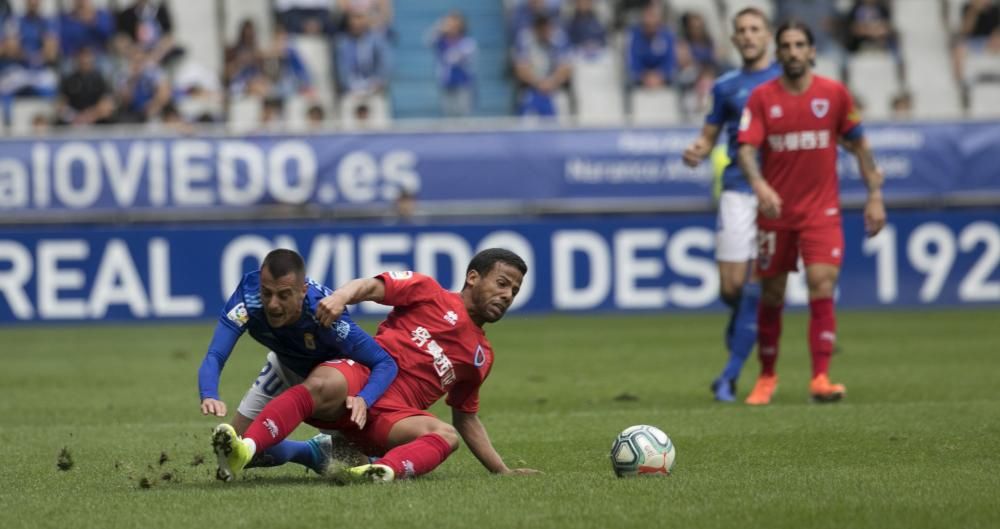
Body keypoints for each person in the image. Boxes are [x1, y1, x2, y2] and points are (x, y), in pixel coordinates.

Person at [213, 248, 540, 482]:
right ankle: (248, 446)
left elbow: (466, 417)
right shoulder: (428, 292)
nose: (508, 295)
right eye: (502, 283)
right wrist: (341, 296)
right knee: (323, 383)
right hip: (362, 379)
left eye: (514, 290)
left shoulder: (482, 357)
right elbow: (369, 286)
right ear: (472, 277)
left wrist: (502, 471)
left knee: (446, 435)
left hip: (391, 420)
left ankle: (381, 471)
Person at [736, 20, 886, 405]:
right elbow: (747, 149)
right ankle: (767, 377)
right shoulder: (762, 98)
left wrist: (874, 195)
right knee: (772, 293)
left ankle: (820, 376)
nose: (793, 52)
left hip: (822, 211)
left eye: (800, 44)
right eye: (786, 45)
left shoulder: (834, 95)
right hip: (776, 211)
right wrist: (759, 184)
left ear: (812, 51)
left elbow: (859, 144)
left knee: (822, 283)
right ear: (779, 52)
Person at [199, 248, 398, 480]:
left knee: (349, 474)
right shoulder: (248, 298)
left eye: (283, 295)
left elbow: (384, 362)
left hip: (330, 380)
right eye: (267, 293)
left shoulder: (324, 312)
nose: (273, 304)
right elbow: (215, 354)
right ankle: (313, 452)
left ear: (302, 291)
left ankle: (369, 454)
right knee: (234, 452)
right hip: (284, 366)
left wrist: (364, 399)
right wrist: (209, 393)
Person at [682, 8, 780, 402]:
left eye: (755, 29)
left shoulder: (786, 82)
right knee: (732, 287)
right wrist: (697, 150)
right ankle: (741, 321)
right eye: (742, 30)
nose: (749, 35)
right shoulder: (725, 87)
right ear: (735, 39)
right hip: (738, 191)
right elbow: (709, 136)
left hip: (778, 194)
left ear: (767, 35)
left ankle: (729, 375)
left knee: (757, 284)